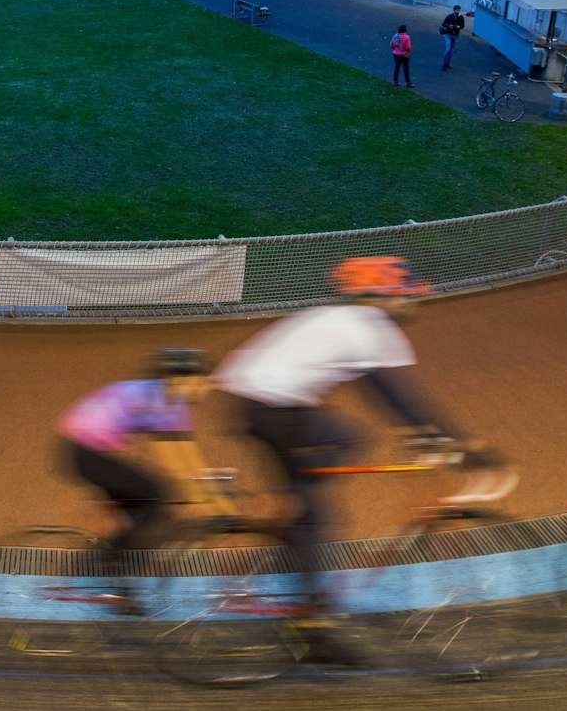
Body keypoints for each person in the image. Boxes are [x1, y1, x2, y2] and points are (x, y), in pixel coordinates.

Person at [215, 258, 514, 618]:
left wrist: (424, 436)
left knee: (327, 468)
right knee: (329, 476)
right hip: (273, 407)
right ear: (380, 297)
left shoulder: (336, 318)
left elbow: (378, 392)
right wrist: (468, 446)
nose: (409, 303)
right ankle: (316, 615)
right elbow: (401, 397)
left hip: (251, 401)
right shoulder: (372, 329)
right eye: (403, 296)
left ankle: (298, 541)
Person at [57, 347, 231, 611]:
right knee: (153, 495)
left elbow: (188, 456)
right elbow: (172, 462)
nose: (207, 386)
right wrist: (208, 500)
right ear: (181, 379)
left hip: (89, 447)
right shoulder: (159, 399)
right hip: (84, 452)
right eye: (202, 379)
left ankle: (110, 559)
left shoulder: (173, 400)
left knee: (143, 503)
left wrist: (207, 492)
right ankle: (117, 569)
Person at [437, 5, 466, 71]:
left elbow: (463, 25)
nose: (458, 11)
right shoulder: (449, 16)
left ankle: (447, 63)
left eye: (459, 10)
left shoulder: (461, 17)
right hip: (448, 34)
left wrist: (459, 27)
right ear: (454, 10)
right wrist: (449, 25)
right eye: (457, 10)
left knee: (451, 50)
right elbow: (443, 24)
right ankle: (444, 65)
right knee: (447, 49)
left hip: (455, 35)